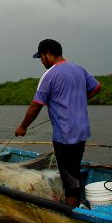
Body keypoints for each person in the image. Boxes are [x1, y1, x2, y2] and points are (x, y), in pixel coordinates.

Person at [14, 39, 101, 207]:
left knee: (69, 176)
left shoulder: (50, 75)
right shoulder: (79, 69)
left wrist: (23, 127)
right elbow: (97, 86)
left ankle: (71, 210)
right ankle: (74, 201)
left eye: (41, 57)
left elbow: (35, 106)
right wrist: (80, 100)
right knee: (73, 168)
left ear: (48, 54)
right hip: (82, 131)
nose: (41, 61)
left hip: (65, 134)